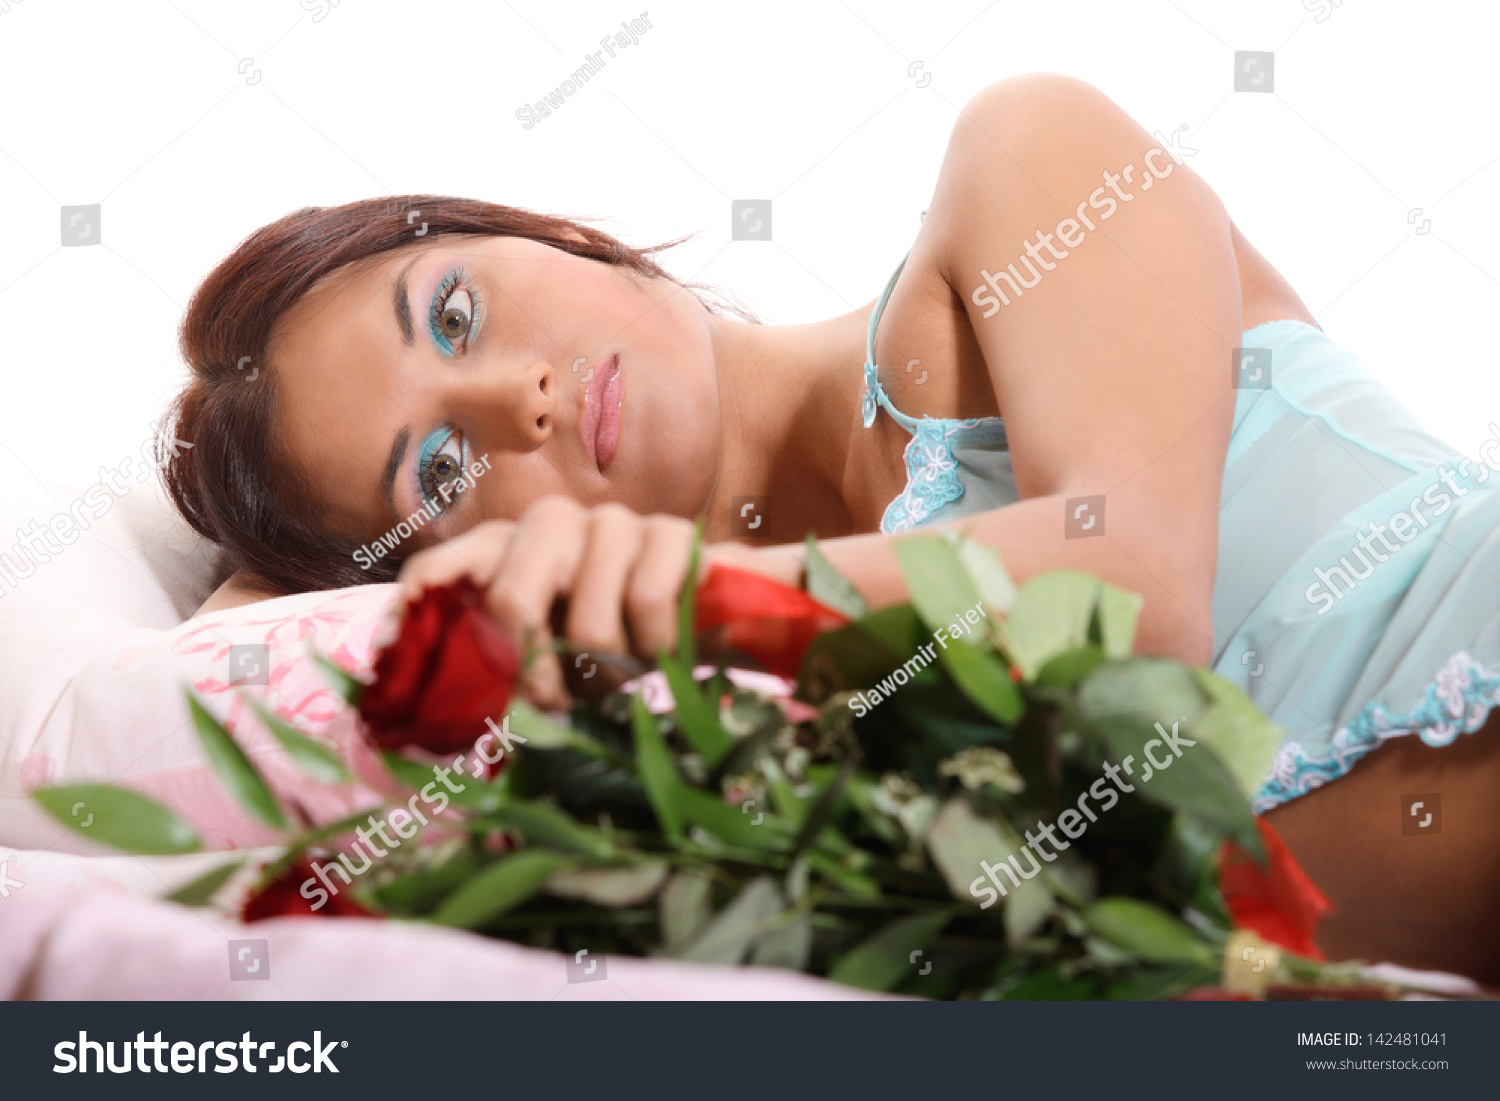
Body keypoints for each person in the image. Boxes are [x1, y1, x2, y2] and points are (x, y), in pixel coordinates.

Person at [165, 74, 1500, 982]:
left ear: (554, 234)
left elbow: (1138, 592)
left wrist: (701, 595)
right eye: (440, 466)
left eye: (455, 310)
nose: (517, 394)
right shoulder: (721, 745)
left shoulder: (1025, 166)